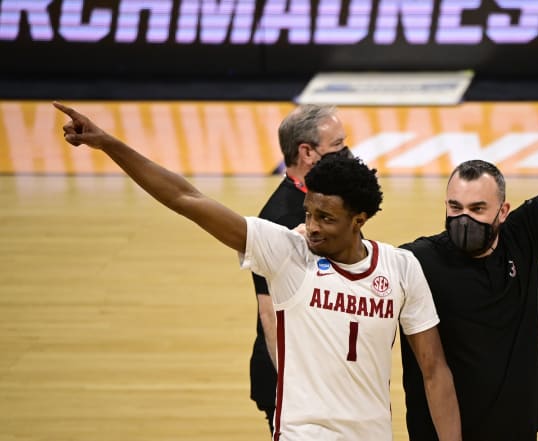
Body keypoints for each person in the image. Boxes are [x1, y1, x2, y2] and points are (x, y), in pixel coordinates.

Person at [52, 101, 462, 441]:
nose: (312, 226)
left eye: (326, 218)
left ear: (360, 218)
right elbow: (185, 197)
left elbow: (434, 368)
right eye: (309, 213)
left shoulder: (400, 267)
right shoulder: (286, 252)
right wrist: (108, 144)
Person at [399, 50, 538, 441]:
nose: (463, 217)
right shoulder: (417, 260)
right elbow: (355, 264)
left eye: (477, 208)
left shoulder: (524, 236)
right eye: (455, 206)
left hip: (516, 428)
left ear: (503, 210)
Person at [249, 104, 350, 435]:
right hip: (292, 380)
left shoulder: (327, 197)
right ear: (307, 152)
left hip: (323, 365)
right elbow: (269, 314)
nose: (346, 153)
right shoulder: (277, 221)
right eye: (337, 145)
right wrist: (295, 392)